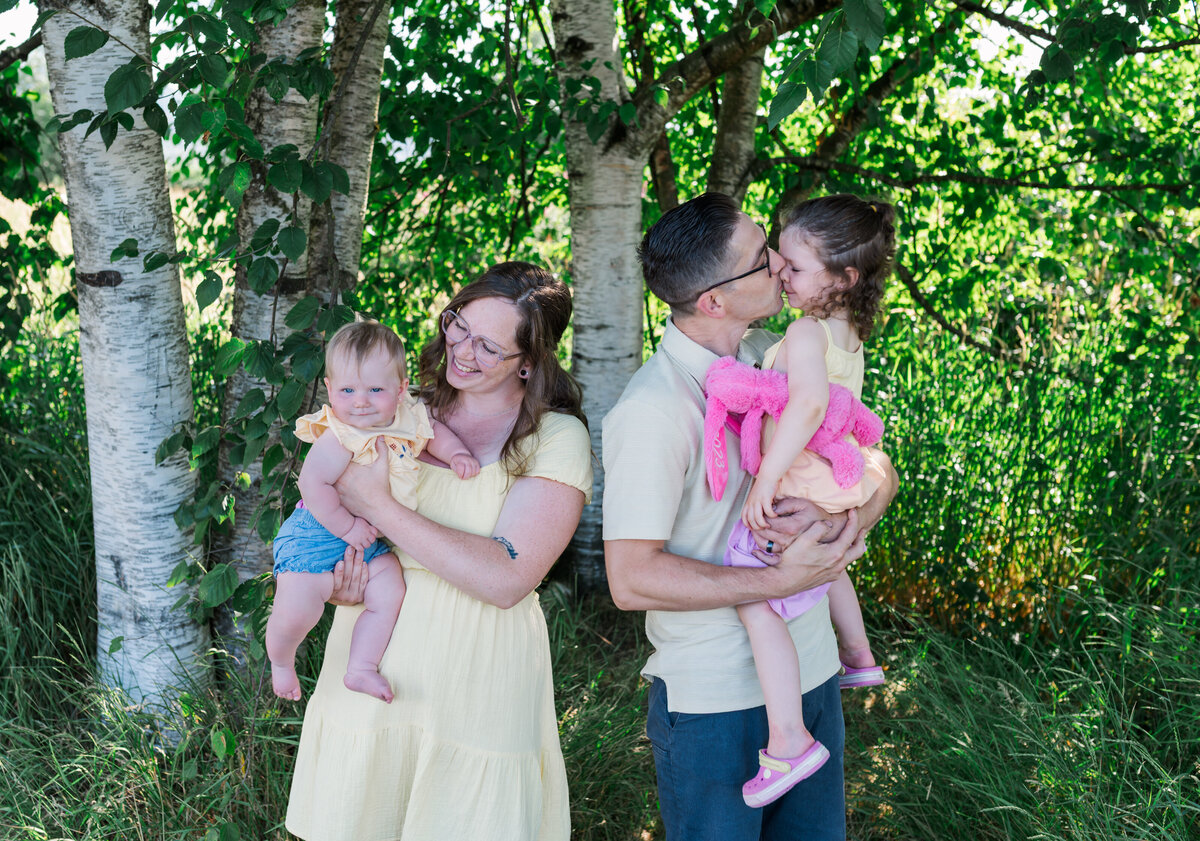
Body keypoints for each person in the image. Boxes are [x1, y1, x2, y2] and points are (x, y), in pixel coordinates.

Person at [603, 192, 898, 841]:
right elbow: (629, 578)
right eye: (764, 257)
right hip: (717, 702)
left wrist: (852, 515)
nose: (780, 263)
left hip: (814, 670)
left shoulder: (780, 352)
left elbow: (874, 460)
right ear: (715, 301)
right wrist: (777, 581)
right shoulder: (651, 411)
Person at [285, 262, 593, 841]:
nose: (462, 350)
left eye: (488, 345)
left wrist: (380, 508)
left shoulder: (554, 438)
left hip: (478, 679)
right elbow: (326, 516)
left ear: (529, 362)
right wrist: (337, 580)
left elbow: (507, 578)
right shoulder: (394, 409)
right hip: (371, 665)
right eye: (459, 325)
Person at [714, 194, 897, 807]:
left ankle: (788, 740)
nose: (780, 274)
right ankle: (859, 654)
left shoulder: (806, 330)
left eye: (793, 267)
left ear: (843, 279)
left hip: (797, 482)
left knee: (754, 598)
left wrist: (766, 478)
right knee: (830, 564)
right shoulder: (849, 335)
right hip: (831, 481)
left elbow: (812, 404)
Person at [266, 319, 479, 704]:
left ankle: (361, 667)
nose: (360, 401)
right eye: (347, 390)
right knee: (298, 608)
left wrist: (457, 454)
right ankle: (281, 661)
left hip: (370, 540)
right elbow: (312, 485)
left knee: (389, 588)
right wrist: (347, 528)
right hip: (318, 532)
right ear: (329, 389)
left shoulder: (409, 418)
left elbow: (434, 435)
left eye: (375, 389)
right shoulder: (340, 435)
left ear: (400, 389)